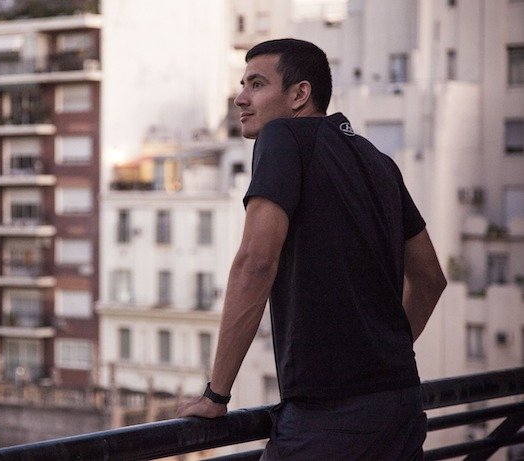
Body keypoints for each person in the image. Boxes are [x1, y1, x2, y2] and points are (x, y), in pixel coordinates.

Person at [176, 38, 447, 460]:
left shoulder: (284, 136)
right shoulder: (378, 161)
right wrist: (384, 356)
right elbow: (431, 278)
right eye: (242, 84)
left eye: (257, 85)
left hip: (330, 417)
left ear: (299, 94)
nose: (241, 98)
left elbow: (256, 262)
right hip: (400, 403)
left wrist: (217, 394)